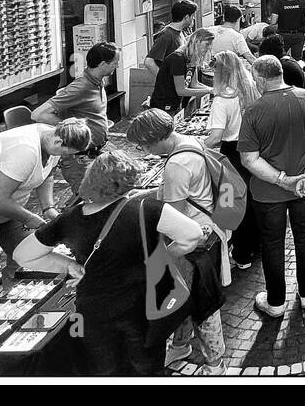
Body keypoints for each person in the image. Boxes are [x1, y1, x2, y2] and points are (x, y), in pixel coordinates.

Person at [14, 149, 206, 376]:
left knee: (106, 370)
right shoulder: (146, 209)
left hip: (94, 312)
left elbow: (22, 255)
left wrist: (67, 265)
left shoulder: (70, 218)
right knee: (147, 367)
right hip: (143, 308)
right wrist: (164, 255)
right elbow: (193, 235)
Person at [125, 109, 228, 375]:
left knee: (202, 305)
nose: (144, 150)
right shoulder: (189, 143)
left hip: (194, 243)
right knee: (185, 298)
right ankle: (181, 345)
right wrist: (148, 193)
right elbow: (185, 192)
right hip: (209, 230)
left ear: (155, 139)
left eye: (144, 144)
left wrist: (158, 256)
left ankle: (215, 364)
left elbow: (174, 216)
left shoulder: (176, 165)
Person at [239, 56, 305, 317]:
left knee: (272, 243)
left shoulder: (254, 111)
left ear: (259, 78)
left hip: (268, 193)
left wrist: (282, 180)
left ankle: (276, 301)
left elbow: (249, 159)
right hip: (304, 186)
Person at [0, 119, 92, 258]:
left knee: (24, 254)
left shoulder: (54, 137)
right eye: (68, 153)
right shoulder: (25, 151)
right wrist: (30, 219)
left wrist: (48, 208)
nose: (68, 157)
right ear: (58, 142)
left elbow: (47, 174)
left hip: (9, 206)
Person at [204, 51, 260, 270]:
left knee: (234, 203)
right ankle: (255, 246)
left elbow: (216, 136)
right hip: (252, 149)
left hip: (231, 153)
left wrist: (197, 145)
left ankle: (242, 253)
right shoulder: (250, 89)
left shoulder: (222, 100)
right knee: (252, 199)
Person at [33, 40, 119, 149]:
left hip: (101, 146)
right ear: (102, 64)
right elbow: (38, 114)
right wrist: (71, 129)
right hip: (84, 156)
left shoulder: (98, 82)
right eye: (115, 63)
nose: (117, 66)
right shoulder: (81, 87)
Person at [149, 28, 213, 115]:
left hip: (177, 103)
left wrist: (212, 89)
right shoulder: (178, 58)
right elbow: (181, 90)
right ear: (197, 42)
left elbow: (194, 84)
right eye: (207, 44)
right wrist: (209, 91)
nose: (208, 47)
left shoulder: (193, 58)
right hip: (164, 105)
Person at [145, 0, 198, 78]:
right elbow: (149, 61)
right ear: (186, 17)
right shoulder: (166, 35)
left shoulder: (181, 32)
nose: (193, 19)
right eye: (192, 16)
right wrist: (163, 80)